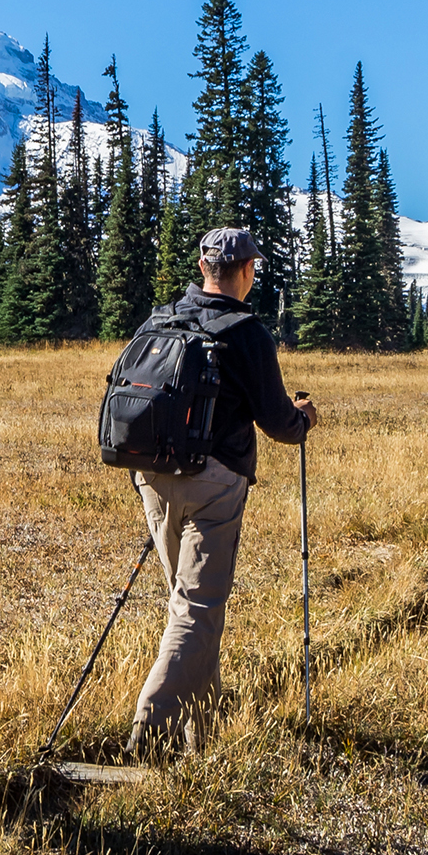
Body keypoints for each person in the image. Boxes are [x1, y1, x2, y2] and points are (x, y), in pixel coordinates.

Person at [126, 225, 317, 756]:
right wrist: (304, 419)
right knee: (197, 607)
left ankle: (201, 735)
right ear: (247, 271)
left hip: (152, 477)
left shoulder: (160, 319)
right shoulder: (247, 333)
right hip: (214, 486)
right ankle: (151, 729)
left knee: (189, 604)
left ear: (203, 267)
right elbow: (279, 423)